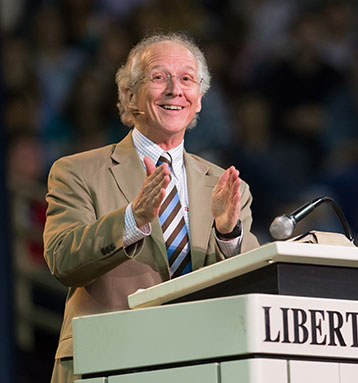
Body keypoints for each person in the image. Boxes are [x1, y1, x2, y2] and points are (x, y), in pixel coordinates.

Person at [43, 33, 259, 383]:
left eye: (187, 79)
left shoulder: (227, 187)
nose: (175, 90)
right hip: (108, 363)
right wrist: (133, 220)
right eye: (160, 77)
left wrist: (227, 235)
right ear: (129, 95)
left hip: (203, 364)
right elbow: (62, 258)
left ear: (199, 99)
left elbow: (252, 287)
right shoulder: (76, 171)